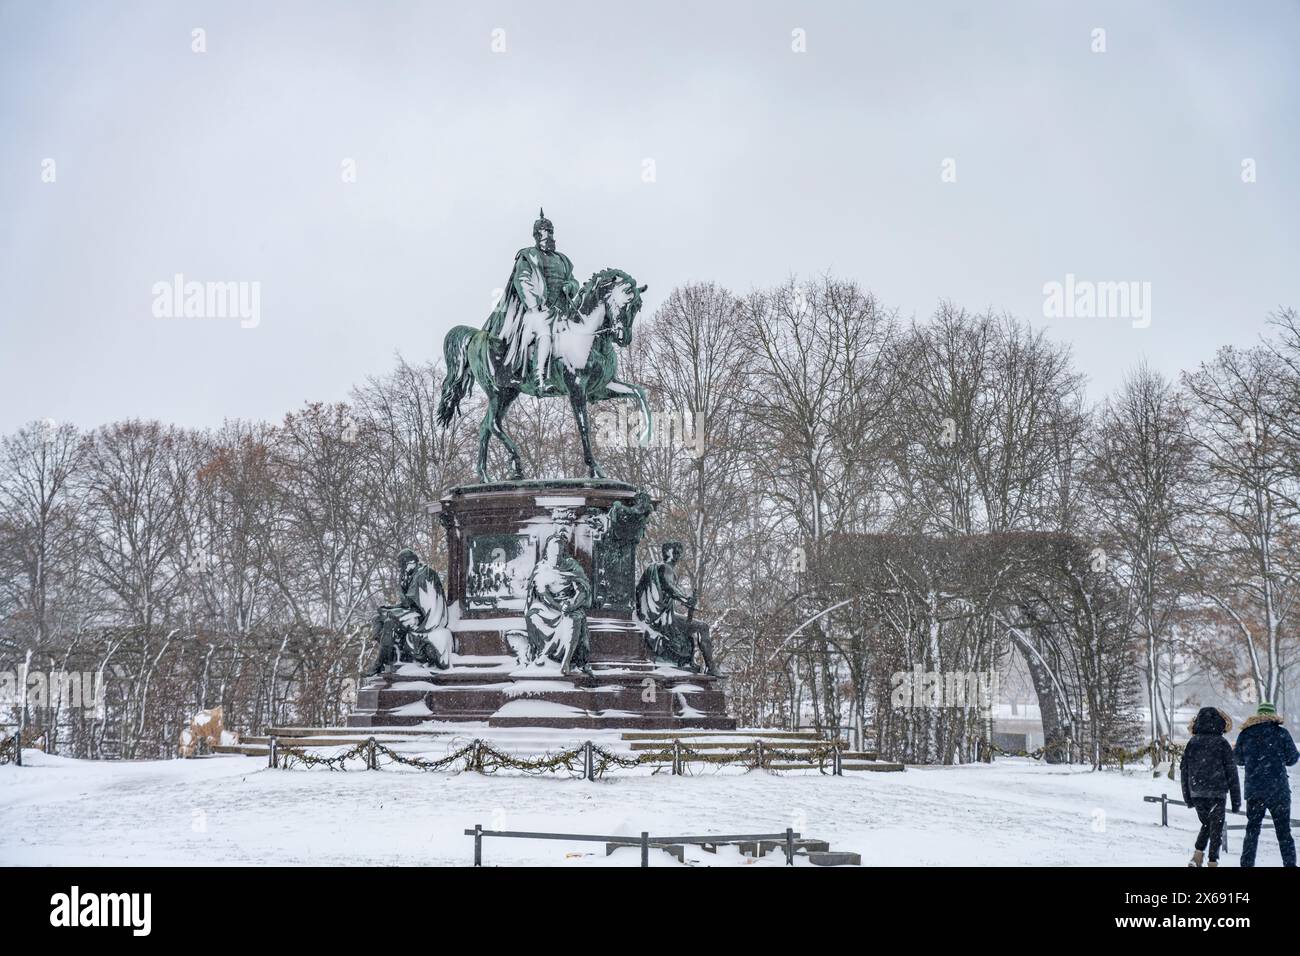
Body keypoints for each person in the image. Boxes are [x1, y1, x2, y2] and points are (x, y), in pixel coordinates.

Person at [484, 208, 580, 386]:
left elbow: (574, 281)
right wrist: (536, 306)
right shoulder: (528, 256)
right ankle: (539, 377)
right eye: (544, 234)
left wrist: (570, 286)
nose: (548, 236)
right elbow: (523, 281)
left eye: (550, 232)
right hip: (536, 312)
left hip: (562, 311)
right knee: (545, 333)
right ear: (536, 236)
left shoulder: (563, 260)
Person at [634, 541, 719, 676]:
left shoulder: (653, 568)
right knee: (703, 627)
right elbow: (671, 588)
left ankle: (689, 661)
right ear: (668, 553)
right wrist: (687, 600)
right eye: (676, 552)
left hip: (652, 617)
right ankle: (712, 667)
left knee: (691, 629)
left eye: (680, 552)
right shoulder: (665, 568)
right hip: (662, 619)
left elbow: (640, 591)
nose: (679, 555)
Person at [1234, 701, 1298, 867]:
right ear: (1273, 716)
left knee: (1252, 831)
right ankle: (1290, 865)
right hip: (1279, 791)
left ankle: (1247, 864)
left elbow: (1238, 759)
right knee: (1284, 833)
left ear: (1257, 715)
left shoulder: (1246, 734)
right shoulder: (1282, 733)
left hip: (1255, 791)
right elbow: (1293, 759)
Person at [369, 549, 452, 675]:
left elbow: (415, 602)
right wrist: (390, 608)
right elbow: (408, 602)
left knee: (390, 622)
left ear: (408, 562)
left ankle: (380, 663)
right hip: (415, 611)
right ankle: (389, 654)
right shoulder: (410, 575)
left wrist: (394, 610)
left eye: (401, 564)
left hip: (425, 616)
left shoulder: (423, 573)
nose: (400, 567)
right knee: (378, 616)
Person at [524, 532, 594, 676]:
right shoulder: (541, 568)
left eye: (558, 553)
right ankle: (544, 653)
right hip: (549, 606)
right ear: (547, 552)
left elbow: (582, 589)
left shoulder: (572, 567)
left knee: (573, 618)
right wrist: (558, 606)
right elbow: (543, 594)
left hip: (570, 603)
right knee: (533, 614)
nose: (555, 556)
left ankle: (566, 661)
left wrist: (572, 604)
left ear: (563, 553)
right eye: (552, 552)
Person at [1180, 707, 1240, 867]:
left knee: (1207, 824)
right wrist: (1236, 800)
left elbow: (1184, 771)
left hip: (1197, 792)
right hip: (1217, 792)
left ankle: (1197, 856)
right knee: (1215, 828)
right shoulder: (1222, 743)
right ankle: (1212, 861)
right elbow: (1231, 772)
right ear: (1220, 722)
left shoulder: (1192, 743)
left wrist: (1188, 797)